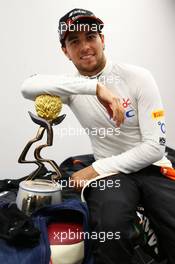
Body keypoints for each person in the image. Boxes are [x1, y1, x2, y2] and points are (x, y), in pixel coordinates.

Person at [21, 8, 175, 264]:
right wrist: (95, 87)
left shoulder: (138, 77)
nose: (85, 46)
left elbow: (154, 148)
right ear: (65, 51)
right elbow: (28, 87)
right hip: (112, 178)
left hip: (151, 168)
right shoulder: (72, 88)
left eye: (91, 37)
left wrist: (95, 168)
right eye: (74, 42)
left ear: (102, 40)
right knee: (110, 231)